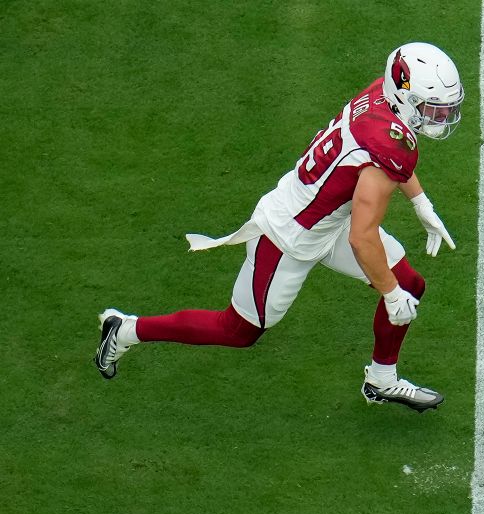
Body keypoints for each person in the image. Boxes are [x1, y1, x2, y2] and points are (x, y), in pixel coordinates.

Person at [94, 42, 464, 412]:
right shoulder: (391, 140)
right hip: (291, 236)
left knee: (410, 284)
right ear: (402, 95)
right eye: (433, 108)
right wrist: (390, 294)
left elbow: (384, 159)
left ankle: (382, 380)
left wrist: (420, 202)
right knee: (238, 331)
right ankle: (126, 329)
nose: (441, 117)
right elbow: (362, 236)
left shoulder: (380, 97)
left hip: (328, 217)